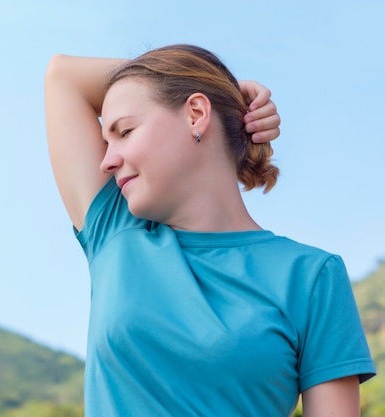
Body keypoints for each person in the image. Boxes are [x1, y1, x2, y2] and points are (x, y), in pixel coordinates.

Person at [44, 44, 375, 417]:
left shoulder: (312, 276)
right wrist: (226, 87)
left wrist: (214, 88)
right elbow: (62, 76)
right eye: (106, 141)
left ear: (196, 114)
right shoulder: (114, 231)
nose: (107, 160)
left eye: (125, 131)